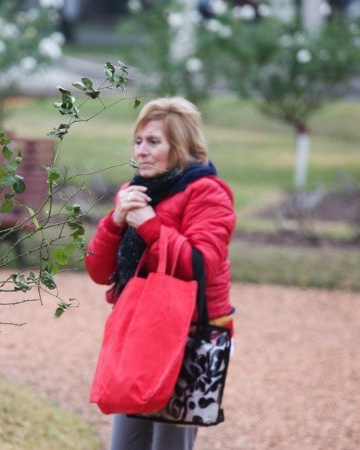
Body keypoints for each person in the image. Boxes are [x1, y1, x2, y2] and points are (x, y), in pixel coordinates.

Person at [84, 97, 236, 450]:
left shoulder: (207, 193)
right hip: (139, 332)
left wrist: (152, 228)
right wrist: (115, 221)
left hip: (187, 335)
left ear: (180, 146)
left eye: (154, 142)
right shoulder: (134, 192)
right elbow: (97, 269)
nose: (141, 151)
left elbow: (201, 265)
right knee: (124, 444)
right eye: (138, 141)